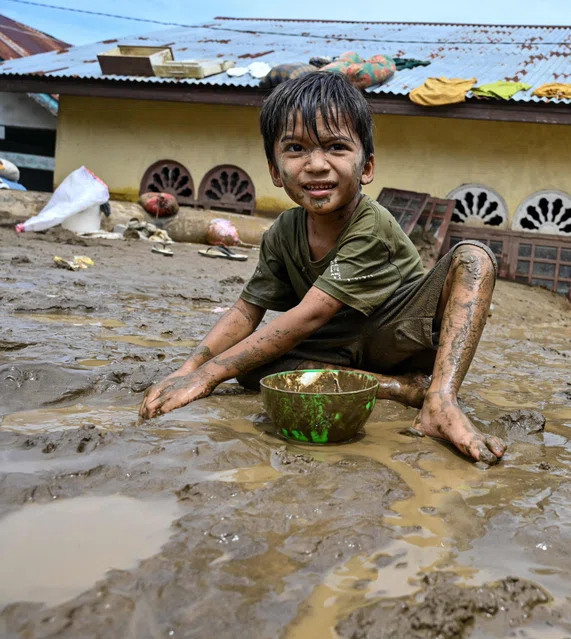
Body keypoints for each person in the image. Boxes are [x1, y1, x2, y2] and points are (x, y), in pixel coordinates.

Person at [140, 71, 506, 464]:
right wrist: (191, 368)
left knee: (473, 256)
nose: (316, 165)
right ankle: (399, 390)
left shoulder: (371, 224)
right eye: (296, 148)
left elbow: (310, 315)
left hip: (399, 338)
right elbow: (247, 310)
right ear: (275, 171)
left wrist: (210, 374)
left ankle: (439, 399)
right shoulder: (283, 231)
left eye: (336, 147)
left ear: (366, 168)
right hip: (339, 350)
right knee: (252, 372)